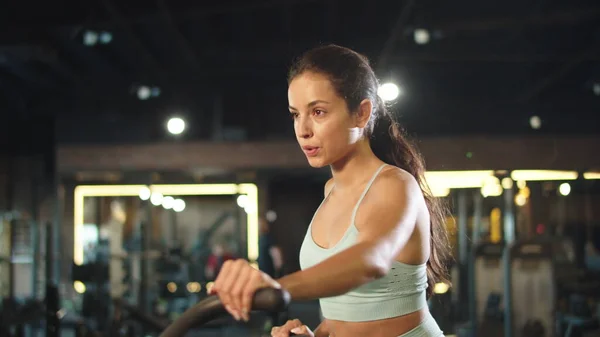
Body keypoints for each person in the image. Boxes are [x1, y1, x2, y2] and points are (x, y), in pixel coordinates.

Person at [209, 44, 451, 337]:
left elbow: (369, 262)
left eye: (318, 112)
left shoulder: (395, 185)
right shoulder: (331, 190)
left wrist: (277, 288)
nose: (303, 129)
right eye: (295, 115)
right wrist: (316, 333)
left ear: (361, 114)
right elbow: (345, 313)